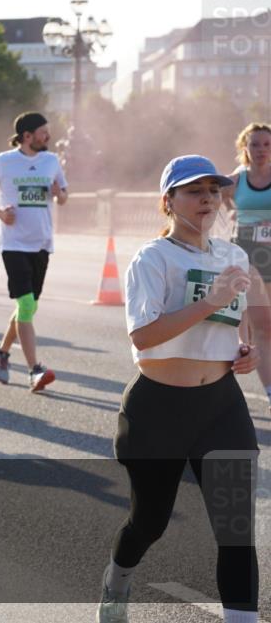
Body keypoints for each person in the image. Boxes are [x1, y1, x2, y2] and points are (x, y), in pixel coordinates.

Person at [97, 155, 259, 623]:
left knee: (235, 530)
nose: (207, 197)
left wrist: (245, 352)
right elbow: (143, 335)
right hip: (158, 408)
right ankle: (118, 579)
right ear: (167, 201)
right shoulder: (153, 258)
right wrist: (212, 299)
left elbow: (234, 323)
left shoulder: (233, 255)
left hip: (221, 407)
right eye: (193, 190)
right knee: (149, 522)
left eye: (213, 189)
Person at [0, 112, 68, 392]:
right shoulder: (2, 162)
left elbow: (63, 197)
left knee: (28, 307)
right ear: (27, 136)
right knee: (26, 306)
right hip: (13, 244)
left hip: (41, 244)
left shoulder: (51, 162)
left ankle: (2, 352)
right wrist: (0, 214)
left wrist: (57, 193)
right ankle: (34, 370)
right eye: (43, 132)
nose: (48, 137)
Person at [224, 122, 271, 408]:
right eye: (255, 144)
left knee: (266, 326)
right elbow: (212, 196)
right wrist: (232, 215)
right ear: (245, 148)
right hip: (248, 253)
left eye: (267, 144)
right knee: (261, 325)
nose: (261, 150)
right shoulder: (237, 180)